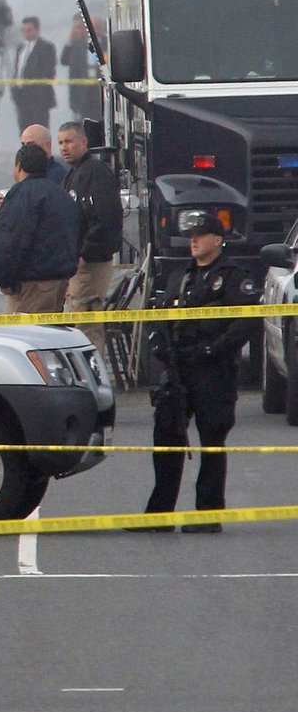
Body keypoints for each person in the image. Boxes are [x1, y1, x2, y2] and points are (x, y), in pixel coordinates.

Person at [126, 215, 258, 533]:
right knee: (166, 439)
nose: (194, 241)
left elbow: (246, 320)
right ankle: (159, 515)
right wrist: (160, 344)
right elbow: (160, 311)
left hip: (214, 372)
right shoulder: (181, 275)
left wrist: (213, 349)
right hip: (180, 369)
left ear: (218, 239)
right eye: (191, 236)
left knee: (211, 442)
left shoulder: (233, 277)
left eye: (200, 235)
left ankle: (207, 514)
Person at [0, 143, 80, 313]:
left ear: (19, 166)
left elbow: (11, 240)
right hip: (60, 283)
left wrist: (4, 278)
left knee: (25, 335)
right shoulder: (61, 194)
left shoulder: (22, 195)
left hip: (31, 287)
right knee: (51, 335)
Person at [60, 121, 124, 352]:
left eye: (69, 141)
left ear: (84, 142)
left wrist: (84, 254)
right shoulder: (72, 175)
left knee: (87, 325)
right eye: (60, 143)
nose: (64, 147)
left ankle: (93, 376)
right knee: (77, 322)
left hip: (92, 263)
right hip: (77, 264)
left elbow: (106, 220)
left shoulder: (96, 173)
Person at [11, 15, 59, 133]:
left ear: (37, 30)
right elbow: (18, 70)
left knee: (39, 130)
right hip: (22, 97)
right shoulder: (20, 48)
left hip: (39, 99)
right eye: (23, 30)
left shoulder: (46, 47)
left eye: (29, 30)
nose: (26, 33)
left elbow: (49, 72)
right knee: (24, 129)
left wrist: (37, 90)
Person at [63, 14, 106, 126]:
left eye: (97, 27)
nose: (94, 30)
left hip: (100, 92)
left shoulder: (108, 42)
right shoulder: (79, 44)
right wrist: (70, 42)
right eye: (92, 27)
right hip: (84, 94)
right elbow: (65, 60)